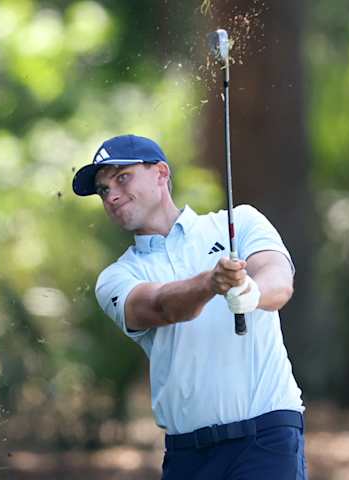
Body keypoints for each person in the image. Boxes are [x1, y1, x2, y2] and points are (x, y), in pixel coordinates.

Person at [72, 134, 307, 479]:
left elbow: (278, 279)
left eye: (123, 178)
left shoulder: (238, 222)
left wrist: (252, 292)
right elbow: (159, 307)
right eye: (104, 189)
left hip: (266, 436)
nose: (112, 195)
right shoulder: (117, 277)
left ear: (161, 173)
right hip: (188, 455)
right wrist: (210, 283)